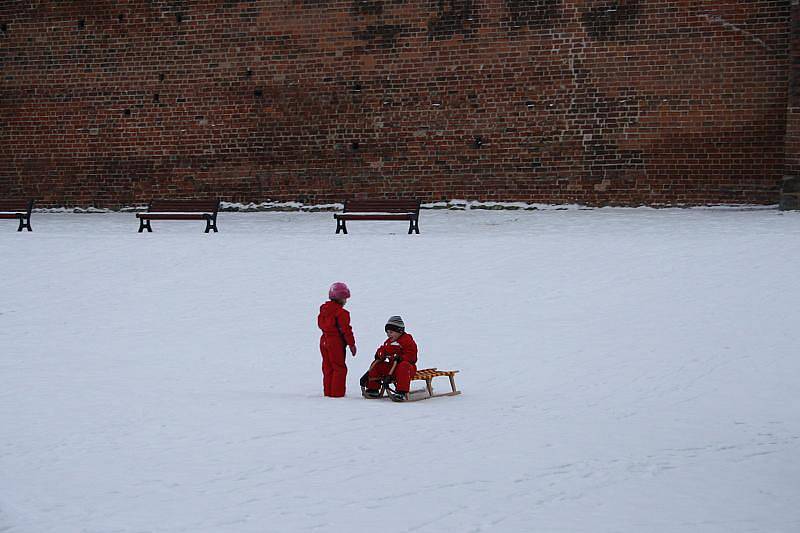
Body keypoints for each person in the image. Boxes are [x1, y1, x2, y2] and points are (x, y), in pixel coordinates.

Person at [363, 316, 417, 402]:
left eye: (391, 332)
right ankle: (373, 388)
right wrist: (379, 354)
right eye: (387, 332)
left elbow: (412, 356)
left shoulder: (407, 341)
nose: (389, 335)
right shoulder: (389, 342)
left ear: (400, 331)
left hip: (407, 369)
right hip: (392, 369)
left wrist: (401, 358)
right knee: (377, 365)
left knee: (403, 366)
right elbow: (382, 349)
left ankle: (401, 392)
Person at [317, 282, 356, 397]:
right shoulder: (342, 313)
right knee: (339, 368)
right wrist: (351, 344)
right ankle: (337, 394)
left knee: (327, 367)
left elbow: (320, 324)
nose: (346, 301)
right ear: (340, 299)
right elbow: (346, 330)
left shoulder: (324, 310)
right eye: (344, 298)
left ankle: (328, 392)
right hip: (335, 342)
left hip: (324, 340)